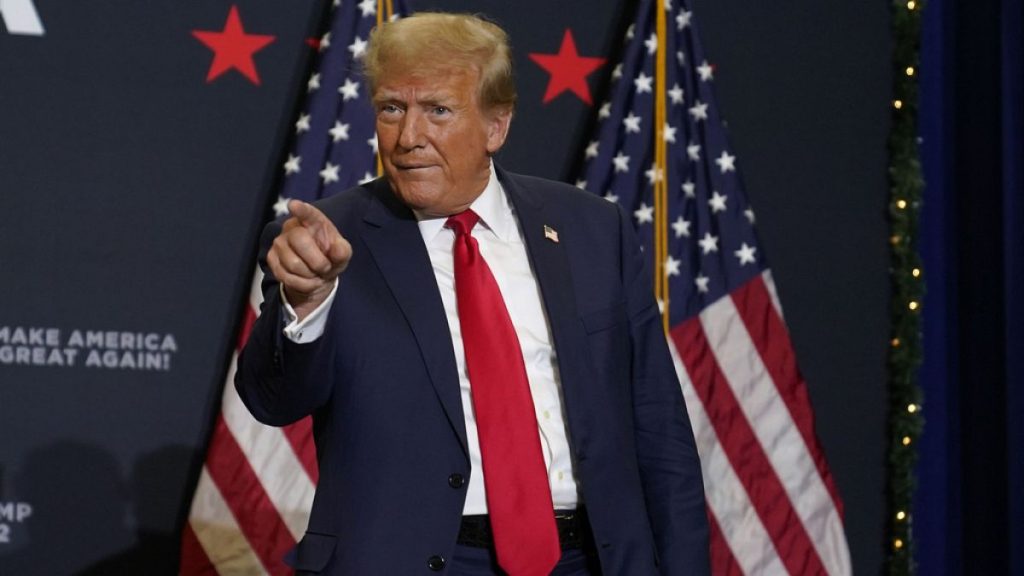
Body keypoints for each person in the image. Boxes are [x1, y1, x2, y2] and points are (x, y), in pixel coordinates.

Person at [236, 12, 710, 576]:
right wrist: (307, 303)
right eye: (392, 108)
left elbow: (659, 429)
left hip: (591, 559)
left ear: (496, 126)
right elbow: (272, 400)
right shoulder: (328, 243)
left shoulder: (592, 230)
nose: (408, 137)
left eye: (437, 110)